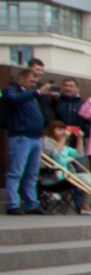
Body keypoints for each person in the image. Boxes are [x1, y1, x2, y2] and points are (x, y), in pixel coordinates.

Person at [3, 63, 44, 214]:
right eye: (31, 81)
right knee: (16, 172)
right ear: (21, 78)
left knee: (32, 174)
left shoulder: (31, 94)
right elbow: (12, 100)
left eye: (35, 83)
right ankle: (13, 204)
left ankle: (31, 203)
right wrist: (36, 93)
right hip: (21, 136)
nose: (33, 85)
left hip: (35, 137)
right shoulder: (12, 91)